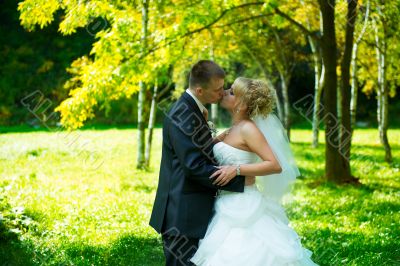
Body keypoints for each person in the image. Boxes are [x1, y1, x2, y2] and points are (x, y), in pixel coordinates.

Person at [190, 77, 318, 265]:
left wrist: (237, 169)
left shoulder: (248, 129)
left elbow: (274, 164)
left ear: (242, 103)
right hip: (225, 200)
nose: (224, 92)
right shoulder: (234, 128)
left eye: (232, 91)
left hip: (244, 202)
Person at [149, 61, 262, 266]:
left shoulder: (194, 109)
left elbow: (196, 151)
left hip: (190, 210)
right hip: (181, 215)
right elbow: (194, 167)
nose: (222, 93)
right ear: (200, 90)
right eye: (218, 90)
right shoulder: (184, 115)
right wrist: (239, 180)